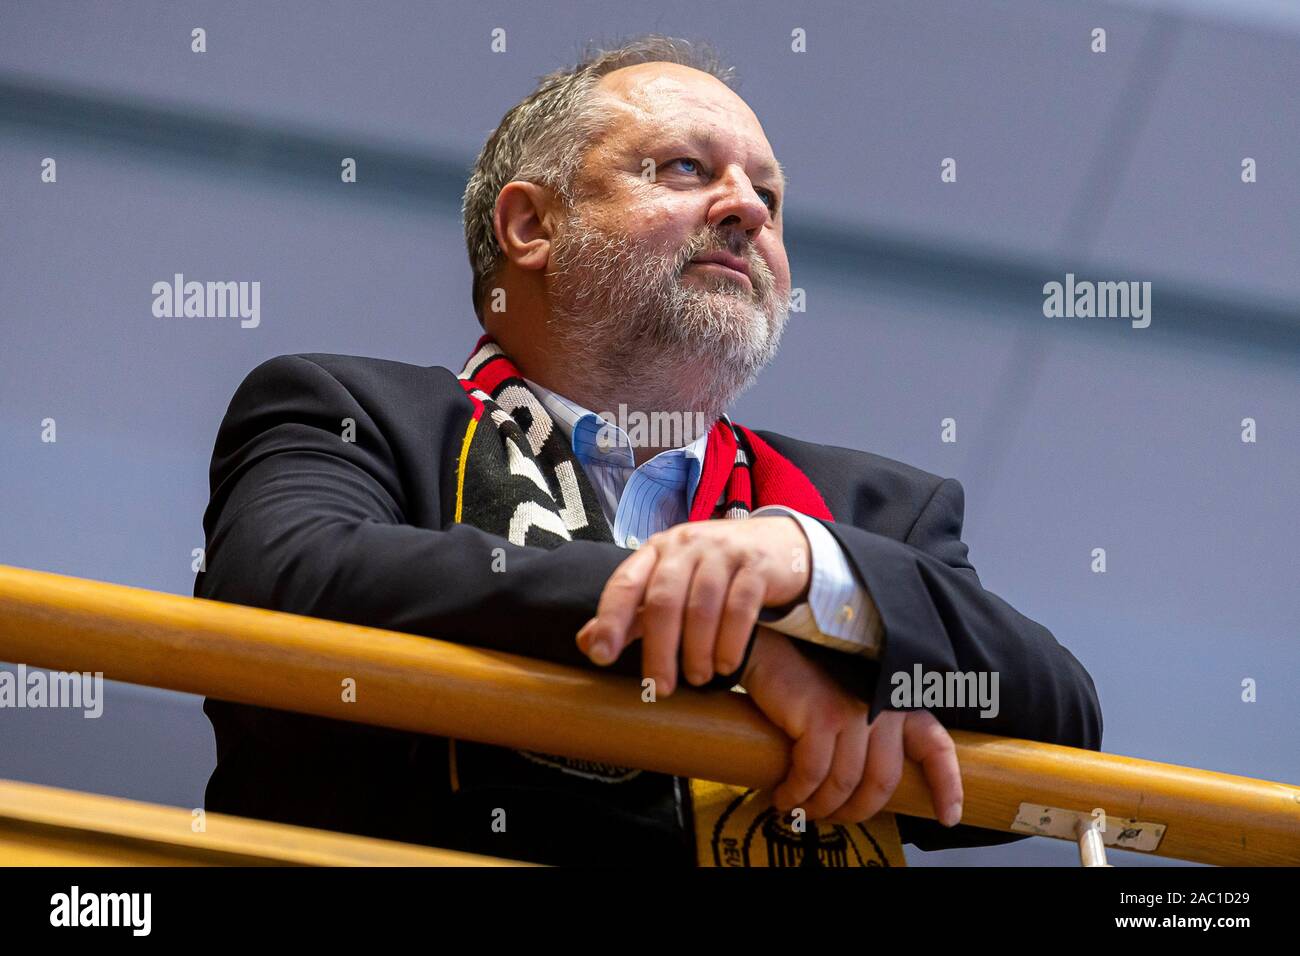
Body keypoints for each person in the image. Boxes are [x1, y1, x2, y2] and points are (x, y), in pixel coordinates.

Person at [196, 35, 1102, 866]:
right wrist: (735, 636)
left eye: (771, 197)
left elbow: (1061, 724)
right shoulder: (351, 410)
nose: (746, 208)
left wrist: (808, 568)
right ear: (531, 227)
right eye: (685, 168)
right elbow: (282, 582)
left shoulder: (875, 513)